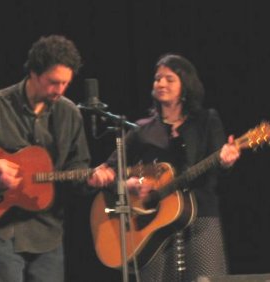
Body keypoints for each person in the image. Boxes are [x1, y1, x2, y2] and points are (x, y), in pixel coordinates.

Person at [0, 34, 106, 282]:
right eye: (53, 82)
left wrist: (89, 181)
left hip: (49, 232)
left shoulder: (69, 113)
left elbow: (76, 169)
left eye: (65, 84)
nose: (59, 90)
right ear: (33, 73)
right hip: (3, 229)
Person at [90, 53, 241, 281]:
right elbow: (109, 170)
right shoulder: (141, 130)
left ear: (185, 85)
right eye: (157, 79)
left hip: (201, 218)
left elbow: (220, 168)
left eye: (169, 79)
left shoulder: (207, 121)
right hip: (153, 227)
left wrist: (226, 160)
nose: (160, 83)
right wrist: (128, 184)